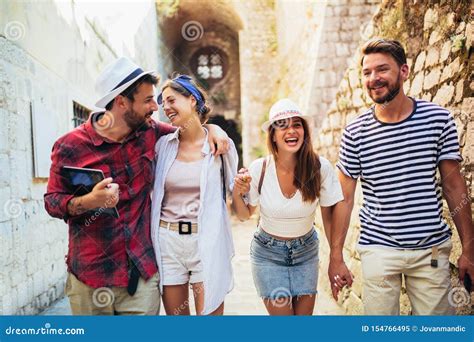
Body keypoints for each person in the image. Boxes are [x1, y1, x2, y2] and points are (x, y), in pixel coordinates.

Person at [44, 57, 229, 315]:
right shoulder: (70, 146)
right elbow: (52, 201)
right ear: (121, 102)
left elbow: (190, 132)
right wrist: (90, 202)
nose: (156, 107)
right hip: (90, 277)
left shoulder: (151, 132)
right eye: (147, 100)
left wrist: (215, 128)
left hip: (140, 276)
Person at [330, 39, 474, 315]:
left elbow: (455, 186)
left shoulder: (438, 120)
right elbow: (344, 198)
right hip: (378, 250)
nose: (373, 79)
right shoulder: (355, 132)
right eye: (367, 72)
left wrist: (469, 248)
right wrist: (336, 256)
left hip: (431, 250)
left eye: (382, 69)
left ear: (404, 71)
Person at [232, 98, 344, 315]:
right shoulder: (259, 169)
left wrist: (336, 257)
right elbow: (245, 215)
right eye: (282, 125)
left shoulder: (320, 167)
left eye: (296, 124)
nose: (291, 130)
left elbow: (332, 211)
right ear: (273, 135)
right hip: (268, 255)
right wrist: (238, 190)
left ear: (304, 131)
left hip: (306, 253)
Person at [151, 74, 238, 315]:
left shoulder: (220, 146)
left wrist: (213, 128)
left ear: (192, 100)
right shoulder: (162, 146)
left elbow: (236, 195)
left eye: (171, 100)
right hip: (168, 242)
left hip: (206, 239)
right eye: (162, 102)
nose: (165, 107)